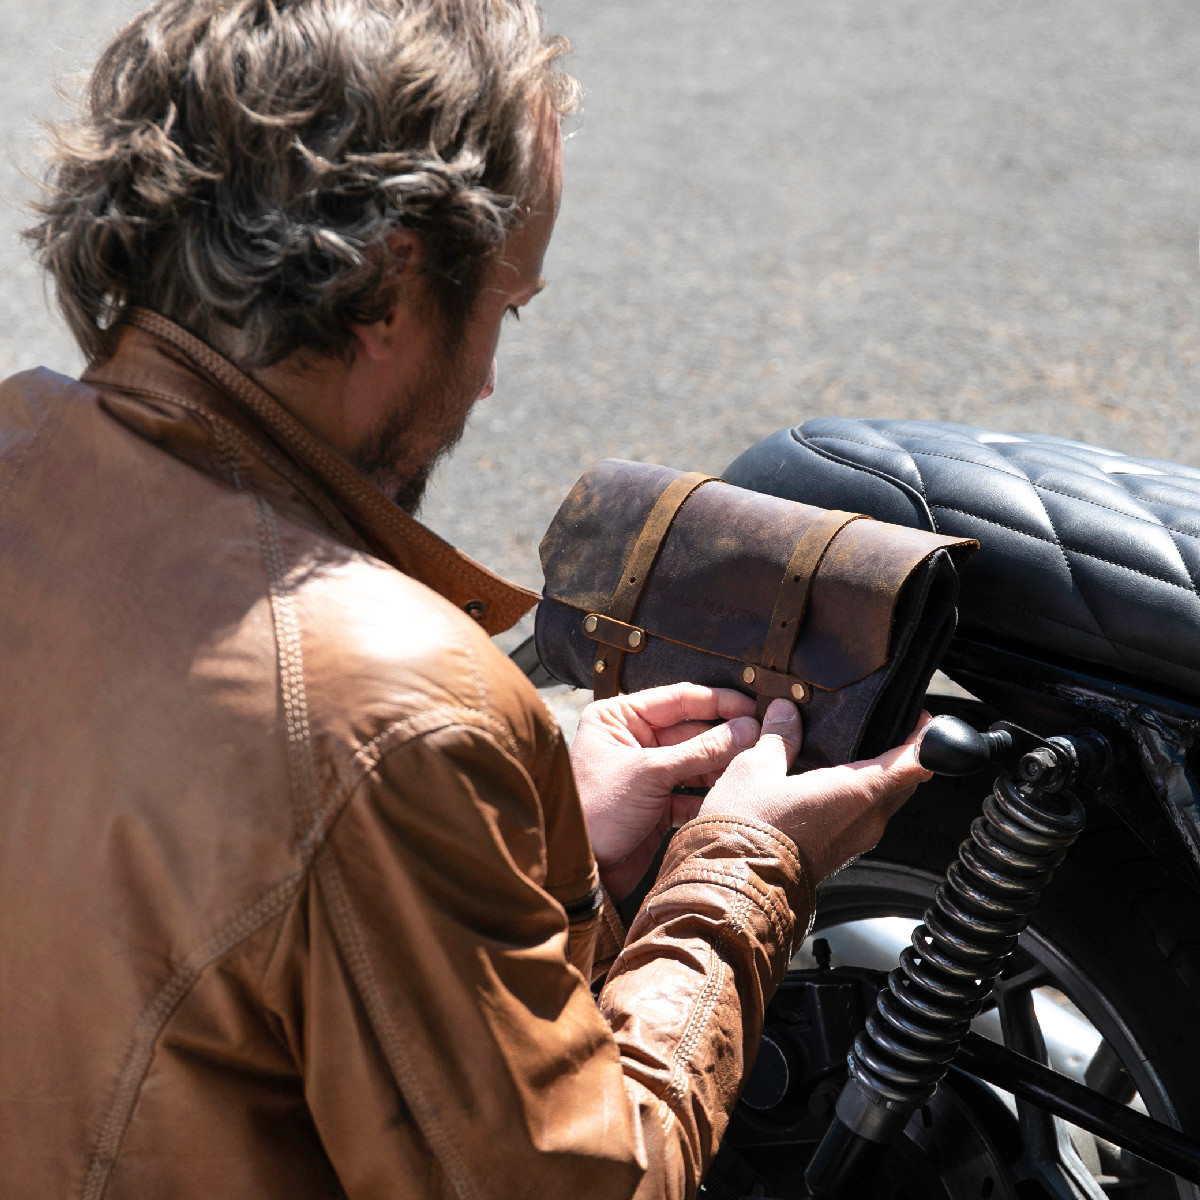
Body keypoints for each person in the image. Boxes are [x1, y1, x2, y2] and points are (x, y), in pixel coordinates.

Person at [0, 1, 931, 1196]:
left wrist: (542, 852)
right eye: (504, 305)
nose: (491, 377)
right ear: (388, 290)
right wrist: (739, 874)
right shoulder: (386, 712)